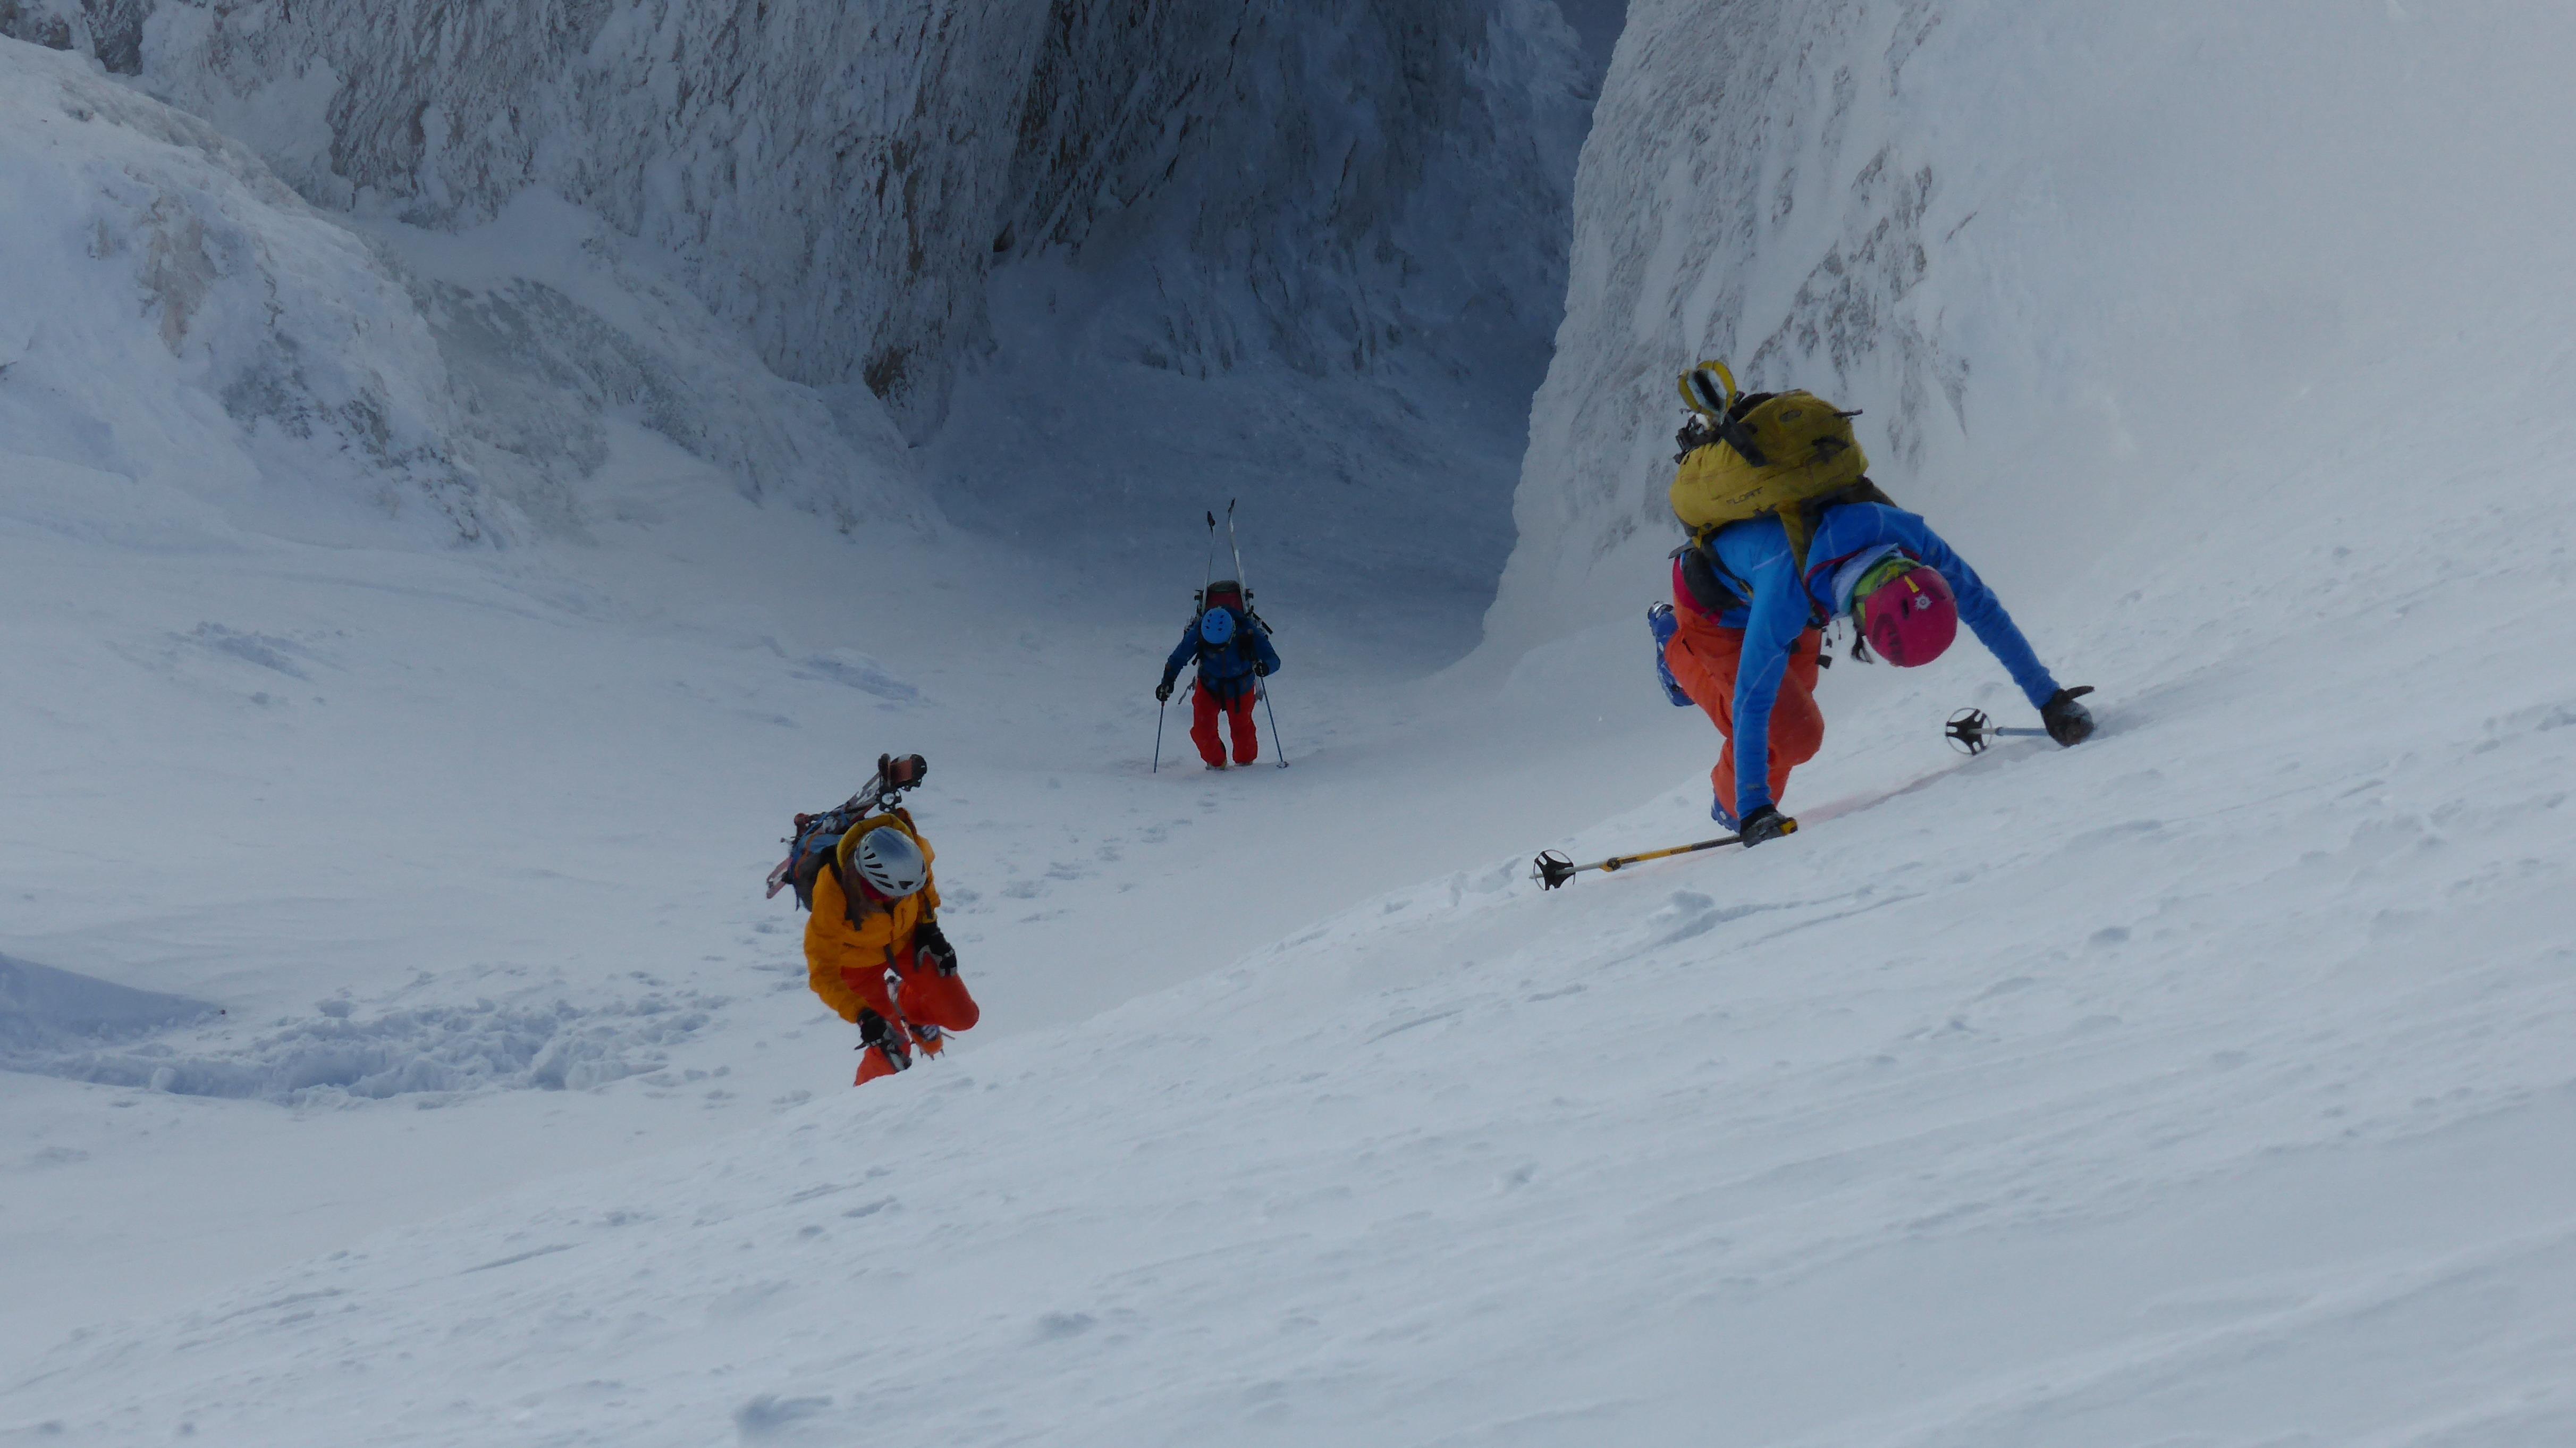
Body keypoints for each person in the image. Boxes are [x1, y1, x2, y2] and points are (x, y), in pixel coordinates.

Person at [1659, 372, 2094, 846]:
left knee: (1790, 717)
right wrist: (1753, 810)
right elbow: (1752, 697)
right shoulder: (1788, 585)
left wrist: (2049, 700)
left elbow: (1981, 608)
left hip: (1799, 598)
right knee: (1793, 734)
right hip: (1716, 613)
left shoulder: (1903, 535)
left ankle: (1708, 709)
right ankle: (1676, 655)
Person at [804, 812, 980, 1084]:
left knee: (963, 1017)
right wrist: (862, 1015)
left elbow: (925, 888)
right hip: (855, 965)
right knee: (892, 1052)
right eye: (890, 894)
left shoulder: (913, 850)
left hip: (907, 942)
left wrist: (929, 928)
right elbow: (822, 974)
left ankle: (906, 1003)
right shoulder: (832, 892)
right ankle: (863, 1105)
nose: (900, 899)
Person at [1156, 596, 1282, 769]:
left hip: (1241, 686)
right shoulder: (1199, 631)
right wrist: (1167, 682)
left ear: (1232, 633)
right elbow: (1178, 657)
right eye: (1212, 647)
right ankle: (1217, 765)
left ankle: (1247, 768)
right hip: (1209, 686)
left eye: (1222, 646)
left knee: (1243, 731)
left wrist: (1265, 668)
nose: (1218, 650)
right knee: (1202, 731)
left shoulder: (1247, 630)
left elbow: (1274, 660)